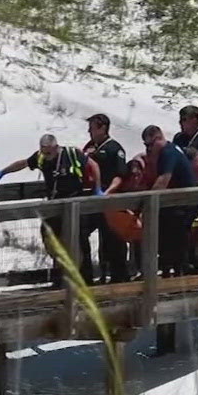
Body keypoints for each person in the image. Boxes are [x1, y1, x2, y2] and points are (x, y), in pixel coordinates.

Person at [0, 134, 101, 284]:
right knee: (51, 239)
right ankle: (61, 277)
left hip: (75, 202)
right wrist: (3, 172)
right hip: (54, 205)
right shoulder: (41, 158)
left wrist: (97, 189)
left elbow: (93, 166)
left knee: (80, 241)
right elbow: (23, 163)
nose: (46, 156)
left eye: (49, 152)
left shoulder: (71, 154)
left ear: (56, 148)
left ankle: (86, 280)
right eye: (43, 152)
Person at [142, 124, 198, 276]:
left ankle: (179, 274)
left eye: (149, 144)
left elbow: (163, 179)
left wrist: (147, 204)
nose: (148, 149)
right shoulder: (170, 150)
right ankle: (170, 272)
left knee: (175, 240)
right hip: (177, 202)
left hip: (183, 203)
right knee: (168, 237)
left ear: (158, 139)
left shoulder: (168, 152)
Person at [83, 113, 135, 283]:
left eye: (92, 128)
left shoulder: (114, 149)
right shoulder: (90, 147)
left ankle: (119, 276)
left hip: (110, 201)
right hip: (92, 201)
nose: (89, 132)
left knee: (113, 239)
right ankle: (89, 274)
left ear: (103, 128)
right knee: (81, 232)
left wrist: (108, 192)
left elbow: (120, 176)